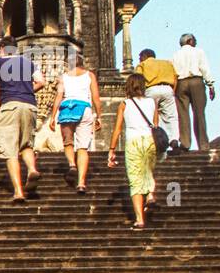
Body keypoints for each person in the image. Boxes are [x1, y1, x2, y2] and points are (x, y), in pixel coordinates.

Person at [0, 37, 44, 204]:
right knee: (26, 144)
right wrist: (26, 90)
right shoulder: (27, 62)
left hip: (10, 106)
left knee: (10, 149)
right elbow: (41, 82)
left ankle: (18, 191)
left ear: (2, 48)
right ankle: (32, 169)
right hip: (29, 105)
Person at [107, 72, 158, 229]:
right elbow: (156, 125)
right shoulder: (152, 102)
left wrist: (112, 150)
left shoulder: (125, 104)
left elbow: (117, 129)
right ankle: (150, 194)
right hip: (149, 140)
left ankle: (140, 219)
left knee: (135, 180)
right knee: (148, 171)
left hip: (133, 141)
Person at [48, 50, 102, 193]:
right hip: (84, 108)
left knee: (68, 142)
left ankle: (72, 164)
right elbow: (96, 97)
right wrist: (99, 116)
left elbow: (59, 96)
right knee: (83, 148)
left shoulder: (63, 77)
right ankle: (81, 183)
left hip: (67, 108)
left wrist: (53, 116)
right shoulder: (89, 75)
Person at [134, 48, 182, 154]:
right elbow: (175, 79)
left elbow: (138, 80)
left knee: (151, 118)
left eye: (140, 57)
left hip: (151, 90)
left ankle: (156, 143)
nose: (139, 60)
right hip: (167, 89)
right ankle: (174, 140)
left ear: (145, 56)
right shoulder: (167, 63)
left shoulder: (142, 65)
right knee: (171, 117)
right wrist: (172, 91)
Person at [172, 33, 214, 151]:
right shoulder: (198, 52)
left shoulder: (176, 54)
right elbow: (204, 68)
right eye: (194, 40)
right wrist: (210, 85)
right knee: (199, 114)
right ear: (190, 41)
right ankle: (203, 145)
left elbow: (174, 71)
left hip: (181, 83)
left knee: (183, 115)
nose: (195, 42)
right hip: (196, 82)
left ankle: (185, 143)